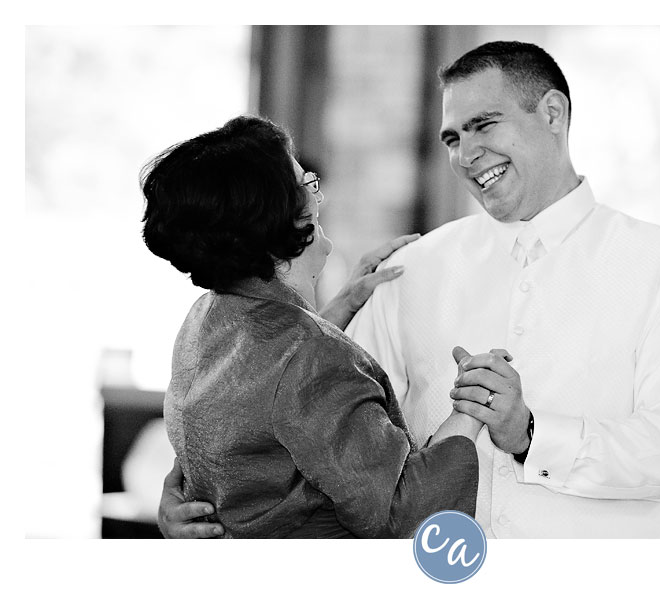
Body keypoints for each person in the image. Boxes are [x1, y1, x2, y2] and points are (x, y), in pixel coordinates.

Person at [160, 40, 660, 539]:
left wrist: (531, 434)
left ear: (553, 113)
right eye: (453, 137)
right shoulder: (411, 269)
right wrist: (185, 493)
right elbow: (307, 432)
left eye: (485, 125)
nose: (465, 154)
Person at [142, 115, 482, 538]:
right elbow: (401, 514)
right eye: (306, 182)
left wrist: (332, 318)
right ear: (278, 213)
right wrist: (472, 408)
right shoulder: (313, 357)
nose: (316, 192)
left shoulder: (205, 317)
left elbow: (265, 398)